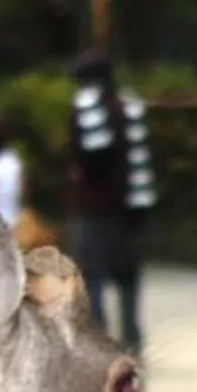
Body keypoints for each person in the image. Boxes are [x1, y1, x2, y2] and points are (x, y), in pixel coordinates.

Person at [65, 45, 157, 350]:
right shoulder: (129, 106)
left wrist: (79, 175)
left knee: (92, 273)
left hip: (96, 207)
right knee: (128, 274)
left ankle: (99, 338)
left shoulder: (86, 107)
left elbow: (92, 156)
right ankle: (132, 335)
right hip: (131, 205)